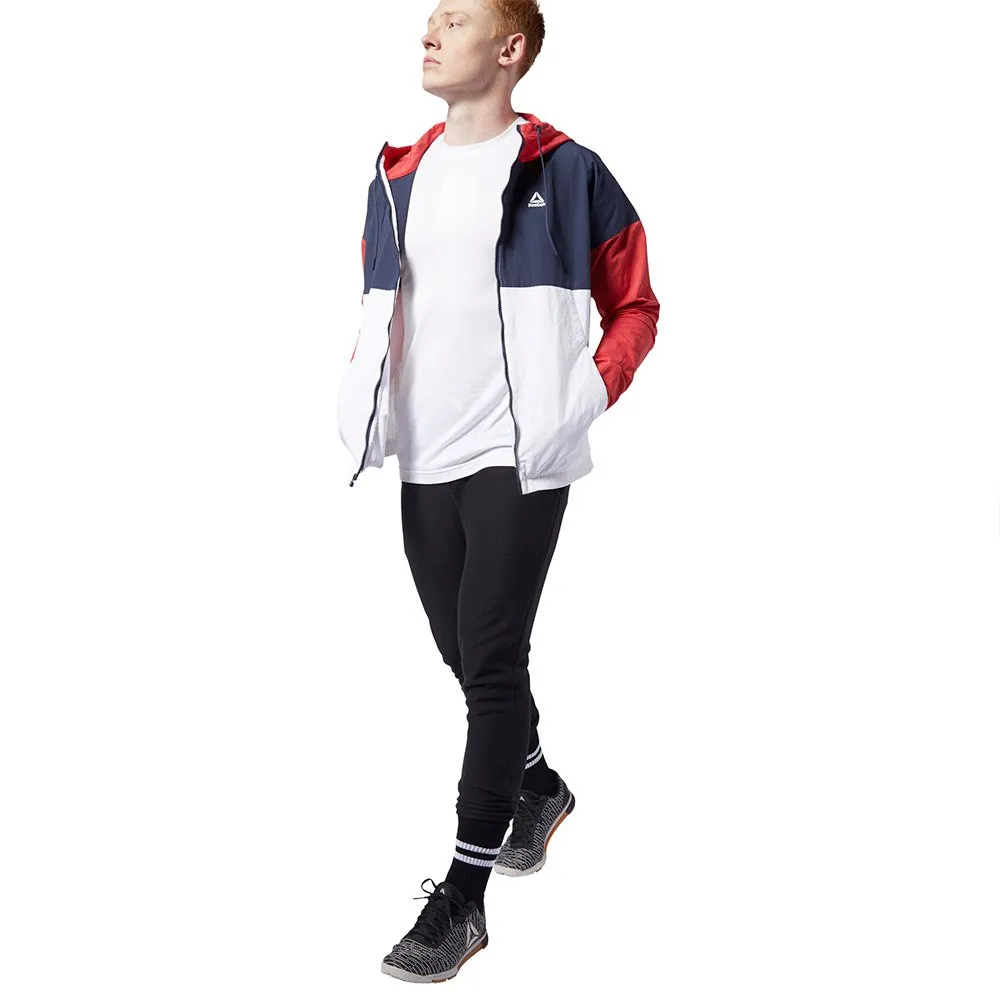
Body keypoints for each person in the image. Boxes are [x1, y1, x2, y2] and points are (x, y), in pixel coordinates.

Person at [336, 0, 659, 982]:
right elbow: (384, 305)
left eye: (456, 20)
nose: (429, 33)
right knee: (465, 653)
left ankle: (463, 895)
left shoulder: (568, 171)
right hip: (423, 455)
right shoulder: (395, 173)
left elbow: (635, 302)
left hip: (520, 456)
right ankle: (538, 784)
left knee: (489, 661)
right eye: (431, 19)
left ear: (510, 48)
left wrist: (583, 396)